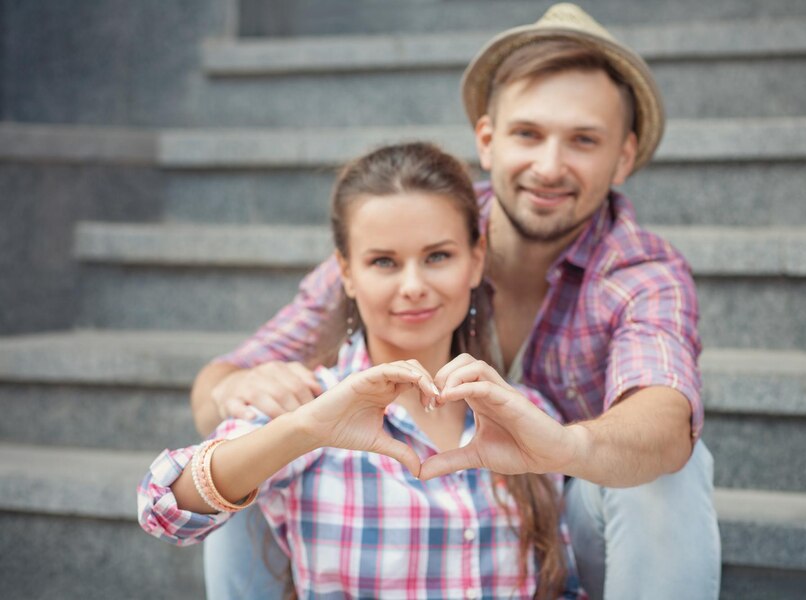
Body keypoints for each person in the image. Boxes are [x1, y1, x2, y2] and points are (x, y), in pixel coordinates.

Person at [191, 3, 721, 598]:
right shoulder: (425, 228)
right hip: (399, 498)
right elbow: (219, 381)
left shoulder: (642, 271)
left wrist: (564, 445)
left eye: (582, 141)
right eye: (528, 134)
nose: (549, 166)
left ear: (622, 156)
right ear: (488, 140)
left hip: (563, 516)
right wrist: (234, 394)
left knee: (670, 473)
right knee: (250, 449)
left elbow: (667, 420)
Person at [139, 142, 587, 599]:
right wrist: (303, 430)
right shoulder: (312, 405)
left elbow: (566, 584)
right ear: (347, 273)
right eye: (383, 262)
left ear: (475, 260)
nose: (413, 286)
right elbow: (164, 508)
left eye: (437, 257)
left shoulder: (526, 410)